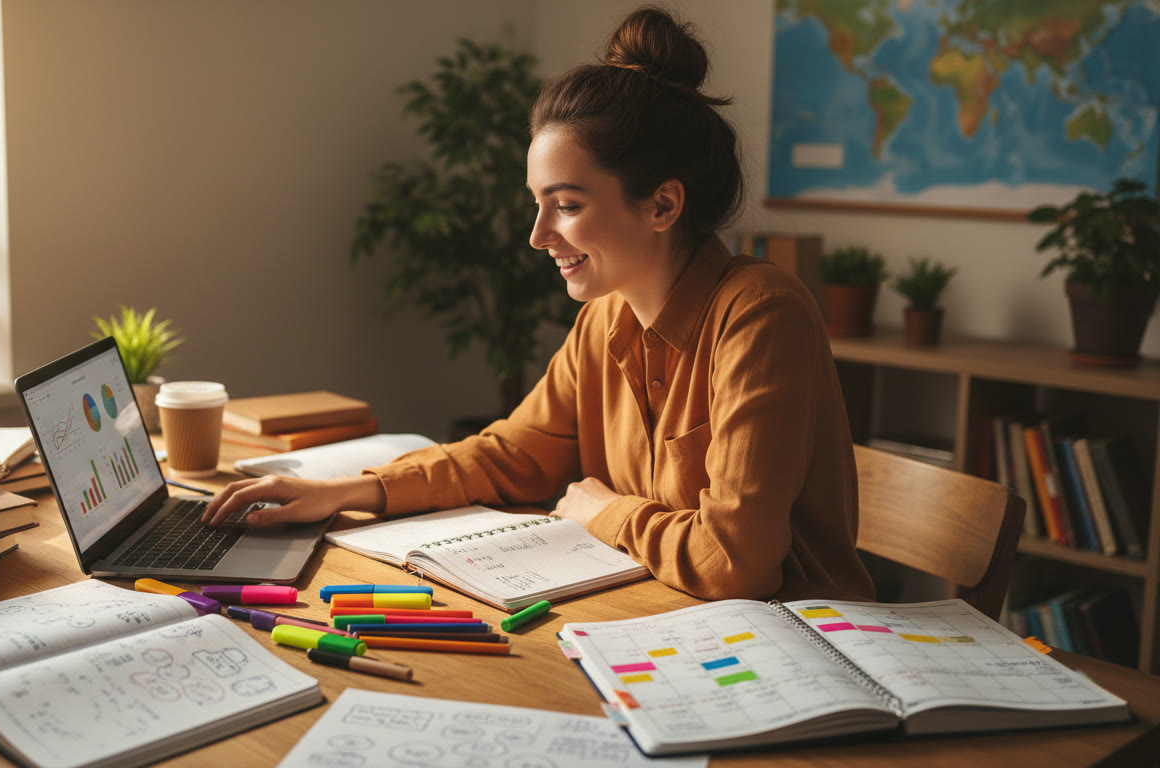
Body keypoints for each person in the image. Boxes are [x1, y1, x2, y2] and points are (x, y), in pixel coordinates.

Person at [204, 6, 875, 603]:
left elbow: (736, 563)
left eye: (568, 205)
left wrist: (602, 510)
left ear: (663, 205)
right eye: (537, 202)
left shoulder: (761, 315)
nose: (538, 235)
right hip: (665, 616)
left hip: (806, 647)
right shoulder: (605, 318)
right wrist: (350, 491)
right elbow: (508, 455)